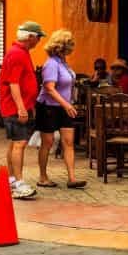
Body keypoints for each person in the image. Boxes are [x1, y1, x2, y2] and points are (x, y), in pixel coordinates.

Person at [35, 30, 86, 190]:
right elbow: (49, 88)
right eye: (70, 44)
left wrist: (69, 103)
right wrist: (66, 104)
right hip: (48, 107)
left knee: (68, 142)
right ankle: (43, 177)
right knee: (48, 142)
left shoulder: (63, 63)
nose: (72, 47)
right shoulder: (51, 63)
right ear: (62, 46)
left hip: (65, 106)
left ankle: (72, 178)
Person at [0, 21, 45, 200]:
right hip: (15, 107)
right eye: (39, 37)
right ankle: (19, 183)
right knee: (20, 144)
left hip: (17, 105)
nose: (39, 41)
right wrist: (21, 108)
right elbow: (14, 83)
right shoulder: (18, 54)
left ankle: (12, 180)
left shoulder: (21, 52)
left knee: (14, 143)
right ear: (30, 37)